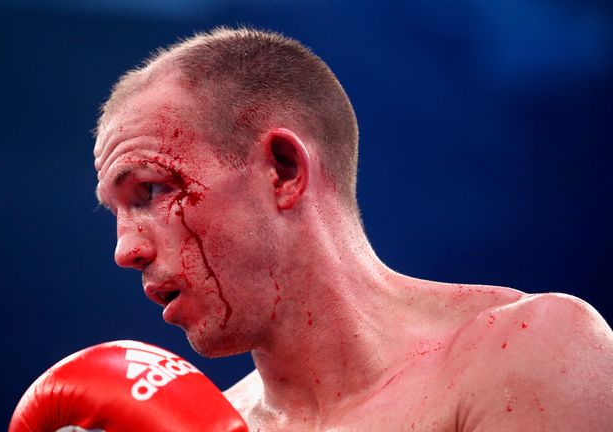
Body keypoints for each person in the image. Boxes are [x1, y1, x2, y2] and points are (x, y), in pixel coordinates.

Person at [89, 27, 613, 431]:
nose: (124, 250)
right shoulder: (216, 425)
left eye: (151, 191)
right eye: (115, 212)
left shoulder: (525, 353)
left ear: (284, 170)